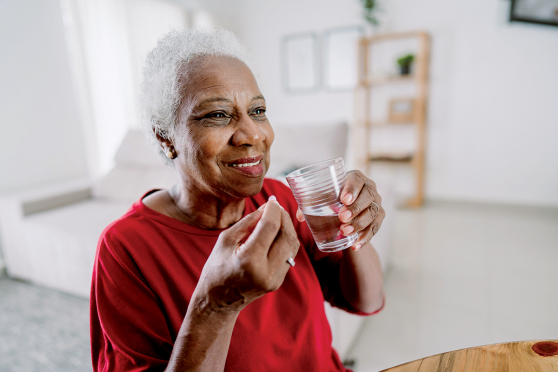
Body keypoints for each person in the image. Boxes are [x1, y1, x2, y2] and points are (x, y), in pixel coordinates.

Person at [90, 28, 385, 372]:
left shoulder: (281, 199)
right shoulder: (125, 248)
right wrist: (215, 306)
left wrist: (354, 226)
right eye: (217, 114)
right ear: (166, 137)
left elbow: (367, 300)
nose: (253, 134)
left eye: (258, 111)